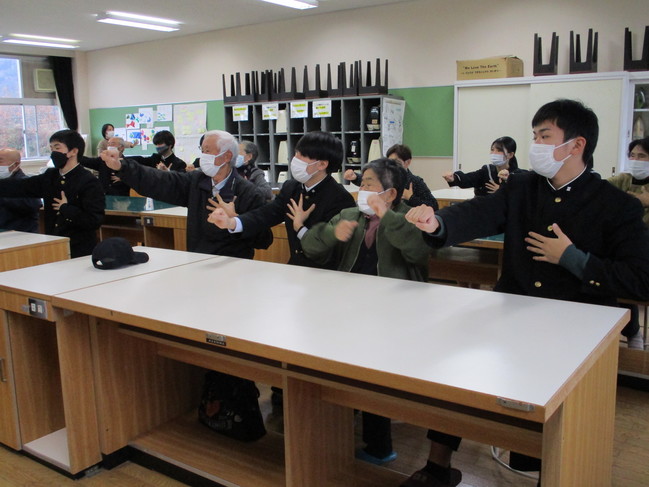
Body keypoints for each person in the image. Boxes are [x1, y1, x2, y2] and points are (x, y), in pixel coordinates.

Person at [403, 99, 649, 487]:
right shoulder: (522, 187)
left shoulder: (616, 205)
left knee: (555, 414)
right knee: (459, 371)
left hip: (577, 325)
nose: (535, 144)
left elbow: (640, 279)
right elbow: (480, 213)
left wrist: (573, 259)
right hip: (512, 311)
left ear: (576, 144)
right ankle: (437, 466)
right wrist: (438, 223)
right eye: (534, 135)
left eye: (544, 136)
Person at [301, 158, 430, 466]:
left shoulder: (410, 217)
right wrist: (331, 235)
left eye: (369, 184)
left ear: (391, 194)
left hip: (393, 311)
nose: (361, 189)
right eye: (361, 184)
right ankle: (335, 426)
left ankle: (379, 445)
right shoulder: (350, 214)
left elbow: (417, 251)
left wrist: (387, 216)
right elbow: (312, 247)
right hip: (349, 305)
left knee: (374, 374)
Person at [101, 129, 271, 258]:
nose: (203, 156)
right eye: (202, 150)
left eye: (207, 151)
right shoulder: (196, 182)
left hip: (234, 269)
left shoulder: (248, 192)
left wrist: (236, 220)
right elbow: (159, 181)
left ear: (226, 156)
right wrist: (122, 167)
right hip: (197, 263)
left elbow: (265, 240)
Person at [208, 131, 356, 269]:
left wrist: (300, 228)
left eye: (302, 156)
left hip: (326, 274)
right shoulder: (292, 188)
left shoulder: (340, 199)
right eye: (296, 153)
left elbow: (331, 249)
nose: (295, 159)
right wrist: (233, 222)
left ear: (322, 164)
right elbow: (266, 214)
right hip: (295, 269)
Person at [0, 130, 105, 258]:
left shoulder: (89, 181)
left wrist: (66, 208)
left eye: (57, 148)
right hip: (54, 245)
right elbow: (21, 187)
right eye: (51, 148)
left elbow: (94, 220)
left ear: (73, 151)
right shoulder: (50, 176)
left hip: (79, 248)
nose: (53, 153)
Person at [607, 136, 649, 349]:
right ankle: (631, 330)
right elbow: (600, 190)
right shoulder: (622, 180)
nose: (636, 160)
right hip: (623, 247)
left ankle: (633, 334)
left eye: (642, 156)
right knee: (615, 274)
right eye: (632, 155)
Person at [344, 144, 438, 209]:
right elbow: (371, 182)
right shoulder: (386, 176)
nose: (393, 166)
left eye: (397, 162)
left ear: (407, 162)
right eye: (389, 161)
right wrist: (355, 177)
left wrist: (411, 198)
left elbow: (433, 206)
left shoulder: (415, 182)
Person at [442, 136, 522, 196]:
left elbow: (521, 196)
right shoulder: (487, 171)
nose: (494, 153)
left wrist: (502, 190)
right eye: (492, 150)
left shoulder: (518, 175)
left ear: (510, 155)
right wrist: (454, 178)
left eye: (499, 150)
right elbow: (469, 178)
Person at [0, 148, 42, 232]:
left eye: (0, 161)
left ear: (15, 165)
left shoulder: (26, 183)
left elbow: (34, 205)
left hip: (21, 233)